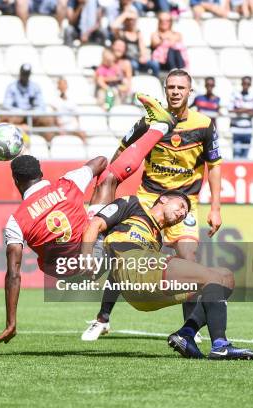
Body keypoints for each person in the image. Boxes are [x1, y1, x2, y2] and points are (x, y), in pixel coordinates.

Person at [0, 93, 183, 349]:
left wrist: (11, 322)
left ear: (16, 182)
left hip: (65, 274)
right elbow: (101, 162)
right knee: (110, 178)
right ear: (41, 173)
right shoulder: (67, 184)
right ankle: (157, 127)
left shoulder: (15, 221)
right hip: (92, 254)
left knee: (107, 217)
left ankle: (147, 126)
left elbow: (14, 274)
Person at [83, 69, 223, 343]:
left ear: (189, 91)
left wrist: (216, 207)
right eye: (170, 87)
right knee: (126, 256)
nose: (175, 92)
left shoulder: (204, 124)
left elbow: (215, 165)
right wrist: (109, 184)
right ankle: (103, 319)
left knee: (188, 261)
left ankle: (187, 331)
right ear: (165, 90)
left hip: (185, 204)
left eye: (181, 87)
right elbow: (123, 150)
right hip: (148, 200)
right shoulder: (150, 123)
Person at [79, 191, 253, 360]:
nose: (182, 213)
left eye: (185, 213)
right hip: (138, 270)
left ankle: (186, 335)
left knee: (225, 278)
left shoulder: (156, 238)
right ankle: (220, 346)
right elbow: (95, 223)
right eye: (180, 206)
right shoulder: (133, 205)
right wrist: (87, 254)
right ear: (163, 199)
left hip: (145, 291)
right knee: (213, 277)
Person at [2, 64, 57, 141]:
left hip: (33, 115)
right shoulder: (12, 87)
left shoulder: (35, 87)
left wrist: (32, 113)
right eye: (24, 74)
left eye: (27, 74)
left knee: (49, 120)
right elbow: (7, 106)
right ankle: (12, 142)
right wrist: (22, 112)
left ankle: (49, 146)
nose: (25, 76)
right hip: (18, 115)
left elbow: (41, 106)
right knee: (8, 119)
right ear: (20, 73)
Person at [112, 11, 160, 77]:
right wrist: (125, 15)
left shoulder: (138, 33)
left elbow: (142, 48)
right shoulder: (121, 33)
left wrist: (143, 56)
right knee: (133, 64)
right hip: (127, 61)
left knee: (155, 64)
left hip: (138, 60)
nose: (131, 21)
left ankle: (156, 81)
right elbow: (113, 26)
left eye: (133, 19)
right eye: (129, 19)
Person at [229, 76, 253, 159]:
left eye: (248, 83)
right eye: (244, 83)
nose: (246, 85)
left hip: (248, 130)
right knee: (236, 155)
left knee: (245, 156)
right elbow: (231, 110)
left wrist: (240, 109)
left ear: (250, 85)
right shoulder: (235, 94)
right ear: (241, 84)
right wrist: (248, 109)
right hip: (236, 129)